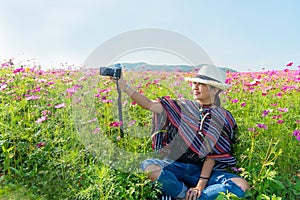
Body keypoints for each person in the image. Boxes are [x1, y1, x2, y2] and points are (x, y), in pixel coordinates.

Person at [115, 64, 250, 199]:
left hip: (202, 172)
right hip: (175, 166)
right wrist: (123, 85)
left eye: (201, 84)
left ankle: (186, 194)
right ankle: (183, 194)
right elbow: (149, 105)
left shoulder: (223, 117)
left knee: (242, 185)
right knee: (148, 166)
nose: (195, 87)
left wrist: (199, 187)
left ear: (215, 90)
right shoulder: (183, 107)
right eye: (194, 83)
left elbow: (212, 156)